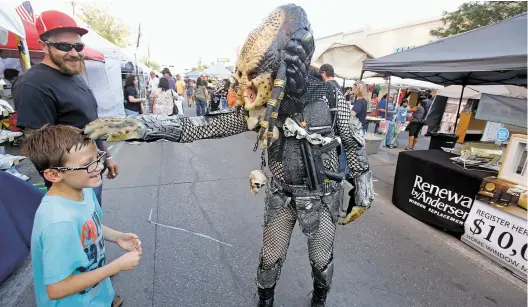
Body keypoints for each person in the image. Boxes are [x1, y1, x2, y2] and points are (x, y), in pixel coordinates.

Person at [84, 5, 373, 307]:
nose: (245, 87)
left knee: (321, 259)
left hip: (323, 194)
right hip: (282, 194)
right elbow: (203, 126)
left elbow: (353, 141)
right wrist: (138, 126)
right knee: (269, 259)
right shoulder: (259, 108)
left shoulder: (328, 94)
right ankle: (265, 301)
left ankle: (319, 298)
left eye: (253, 76)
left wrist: (363, 187)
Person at [22, 125, 142, 307]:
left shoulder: (83, 190)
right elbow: (57, 288)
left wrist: (117, 237)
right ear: (53, 174)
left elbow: (90, 223)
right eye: (88, 164)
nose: (99, 167)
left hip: (96, 296)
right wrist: (115, 267)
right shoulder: (59, 222)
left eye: (98, 158)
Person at [13, 10, 119, 206]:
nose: (74, 53)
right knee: (78, 233)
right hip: (71, 187)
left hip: (92, 173)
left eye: (78, 46)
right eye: (63, 46)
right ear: (43, 46)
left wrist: (106, 157)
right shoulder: (32, 84)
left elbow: (90, 125)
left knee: (93, 229)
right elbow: (38, 147)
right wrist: (69, 190)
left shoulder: (74, 77)